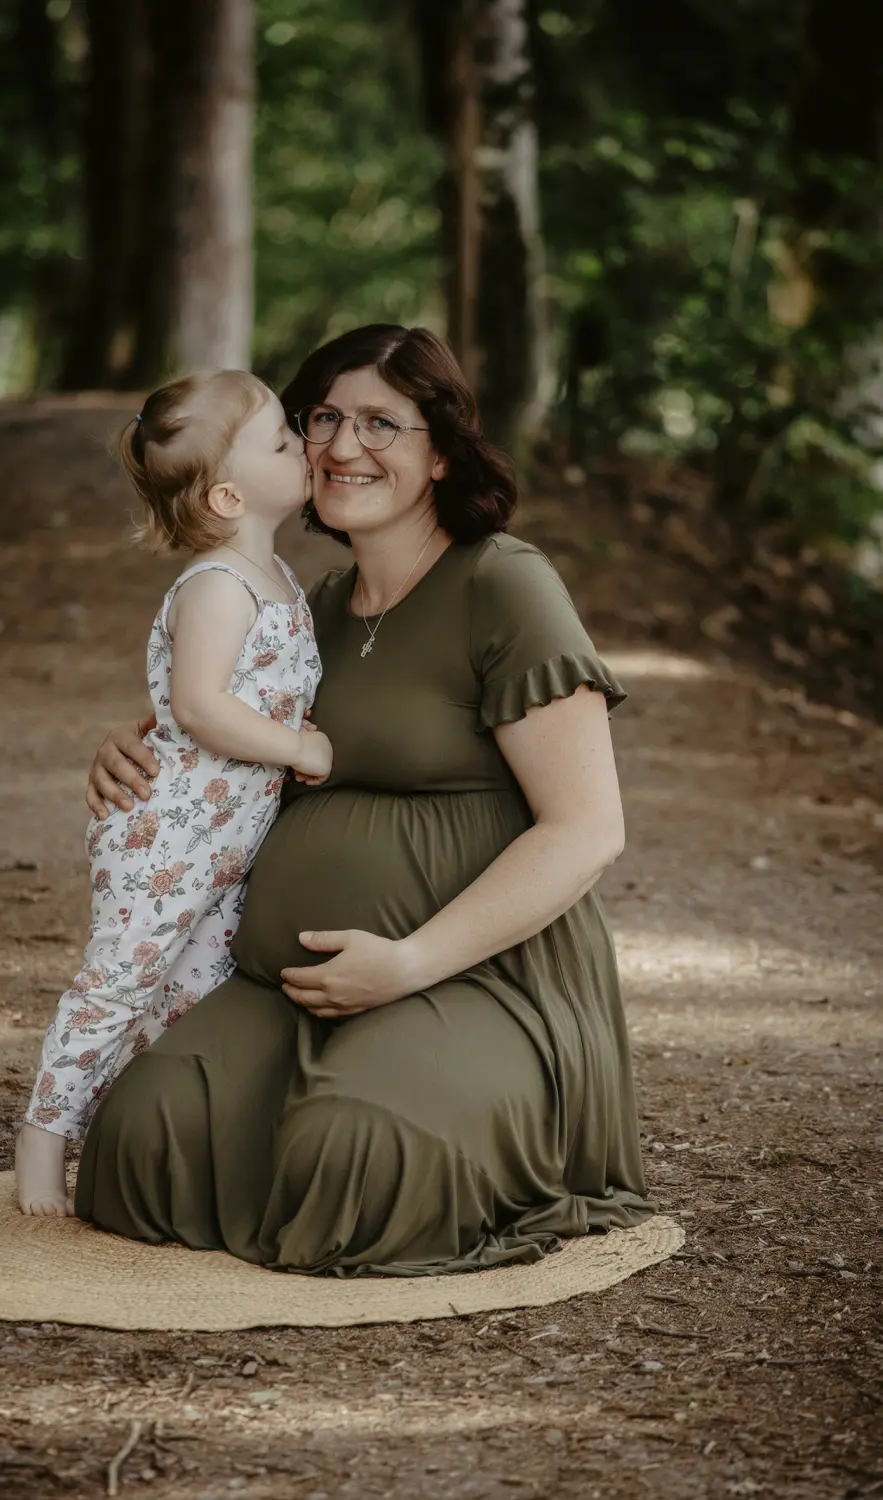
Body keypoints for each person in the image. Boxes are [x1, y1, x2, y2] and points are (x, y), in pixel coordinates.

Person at [75, 324, 655, 1274]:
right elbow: (222, 731)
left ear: (438, 454)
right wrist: (128, 747)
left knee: (358, 1149)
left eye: (382, 423)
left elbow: (588, 830)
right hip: (283, 989)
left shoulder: (505, 586)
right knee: (139, 1137)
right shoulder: (310, 609)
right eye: (324, 418)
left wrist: (410, 960)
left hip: (477, 980)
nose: (344, 446)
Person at [15, 370, 326, 1216]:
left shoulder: (280, 581)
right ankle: (43, 1139)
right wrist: (299, 745)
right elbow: (196, 704)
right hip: (168, 837)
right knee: (119, 980)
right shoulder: (217, 586)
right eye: (281, 441)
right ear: (229, 494)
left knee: (190, 994)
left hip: (228, 842)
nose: (303, 446)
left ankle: (135, 1130)